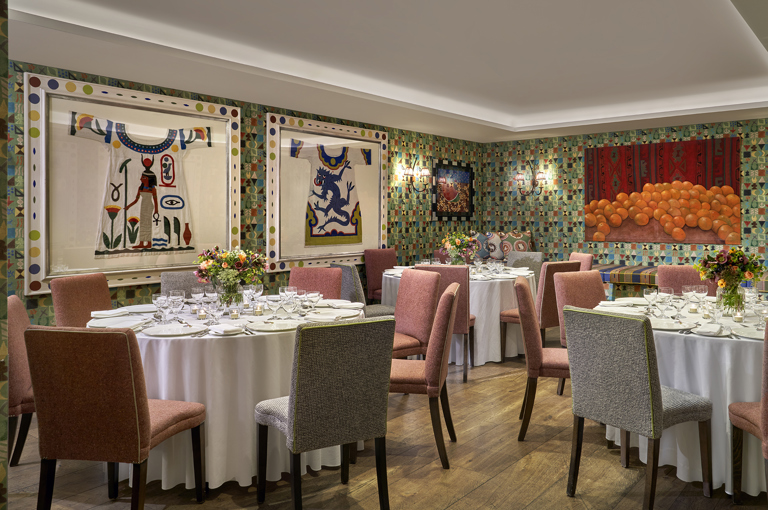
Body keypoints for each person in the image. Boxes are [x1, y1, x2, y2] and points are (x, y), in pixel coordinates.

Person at [126, 163, 159, 249]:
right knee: (143, 224)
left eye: (143, 177)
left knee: (147, 224)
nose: (141, 179)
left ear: (148, 179)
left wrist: (156, 210)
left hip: (149, 206)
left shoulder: (153, 188)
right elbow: (136, 200)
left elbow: (155, 200)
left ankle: (148, 243)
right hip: (143, 205)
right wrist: (128, 206)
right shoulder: (140, 188)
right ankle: (141, 242)